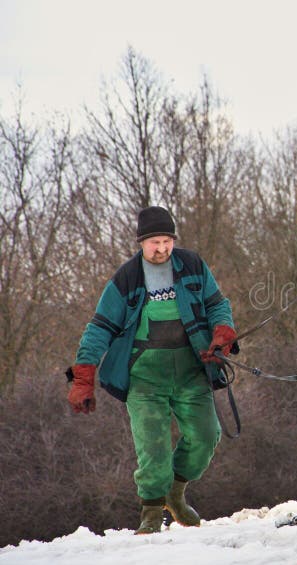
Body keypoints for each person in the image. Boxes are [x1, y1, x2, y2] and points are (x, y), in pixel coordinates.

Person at [67, 206, 237, 535]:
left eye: (167, 241)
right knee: (153, 448)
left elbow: (217, 303)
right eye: (154, 242)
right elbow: (98, 328)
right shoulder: (126, 278)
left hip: (191, 370)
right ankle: (151, 512)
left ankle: (175, 492)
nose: (161, 248)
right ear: (141, 243)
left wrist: (223, 330)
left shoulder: (193, 265)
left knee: (205, 437)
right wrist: (82, 378)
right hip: (144, 378)